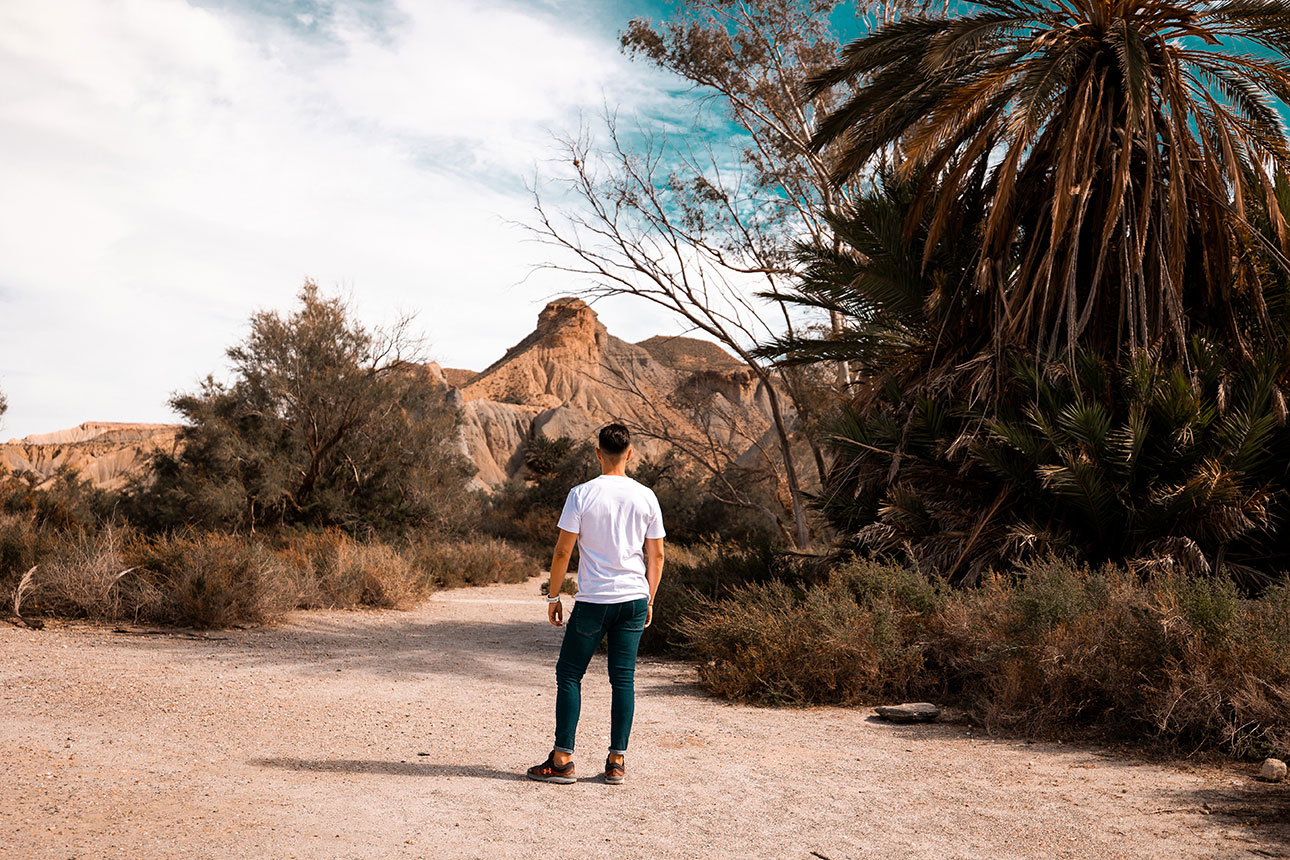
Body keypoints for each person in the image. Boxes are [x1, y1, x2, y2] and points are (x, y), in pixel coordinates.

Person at [526, 423, 665, 785]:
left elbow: (562, 550)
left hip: (593, 601)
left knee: (570, 675)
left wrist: (554, 595)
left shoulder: (581, 494)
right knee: (623, 679)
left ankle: (562, 761)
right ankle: (617, 761)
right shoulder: (646, 496)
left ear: (598, 453)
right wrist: (649, 597)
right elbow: (658, 555)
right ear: (630, 454)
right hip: (633, 599)